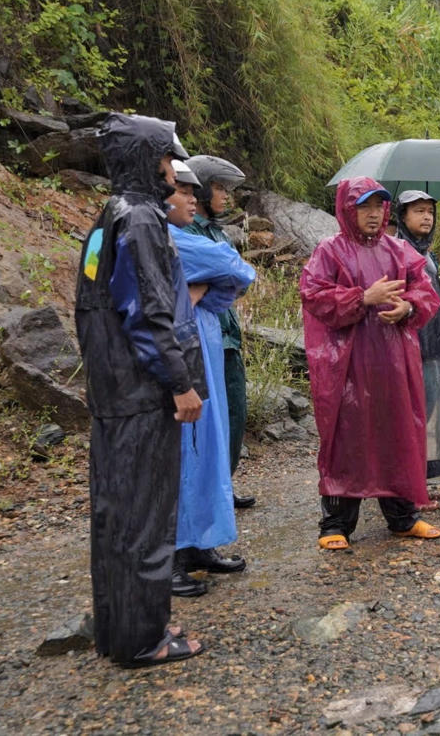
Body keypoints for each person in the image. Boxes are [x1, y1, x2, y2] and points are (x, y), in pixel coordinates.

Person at [74, 112, 206, 667]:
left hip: (113, 393)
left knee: (116, 515)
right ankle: (143, 639)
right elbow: (150, 312)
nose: (172, 170)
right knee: (146, 517)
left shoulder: (109, 216)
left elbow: (94, 302)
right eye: (166, 158)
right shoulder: (144, 221)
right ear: (148, 160)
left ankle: (120, 627)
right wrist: (179, 383)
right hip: (141, 394)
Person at [300, 177, 440, 548]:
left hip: (395, 362)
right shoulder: (329, 251)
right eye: (363, 206)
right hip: (347, 366)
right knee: (346, 438)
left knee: (397, 432)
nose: (373, 214)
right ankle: (335, 524)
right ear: (348, 210)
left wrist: (407, 306)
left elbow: (425, 293)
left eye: (378, 206)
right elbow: (314, 296)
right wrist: (364, 297)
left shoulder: (400, 252)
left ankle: (403, 517)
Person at [166, 162, 256, 595]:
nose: (191, 198)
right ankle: (174, 553)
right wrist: (197, 290)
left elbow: (239, 273)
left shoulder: (192, 239)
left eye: (192, 191)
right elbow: (229, 264)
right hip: (179, 349)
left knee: (211, 442)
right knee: (184, 449)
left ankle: (200, 543)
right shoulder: (165, 240)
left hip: (205, 342)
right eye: (182, 191)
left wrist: (198, 292)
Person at [183, 154, 257, 508]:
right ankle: (206, 495)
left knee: (234, 415)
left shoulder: (217, 233)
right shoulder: (185, 231)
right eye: (219, 187)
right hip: (199, 338)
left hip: (228, 336)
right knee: (207, 421)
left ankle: (222, 487)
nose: (226, 196)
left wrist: (210, 286)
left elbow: (240, 279)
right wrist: (218, 282)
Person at [391, 189, 440, 506]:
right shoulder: (397, 250)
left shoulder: (425, 252)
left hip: (435, 343)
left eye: (431, 212)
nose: (427, 217)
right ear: (403, 216)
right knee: (411, 415)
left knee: (426, 413)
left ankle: (415, 480)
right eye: (419, 211)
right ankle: (405, 489)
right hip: (413, 344)